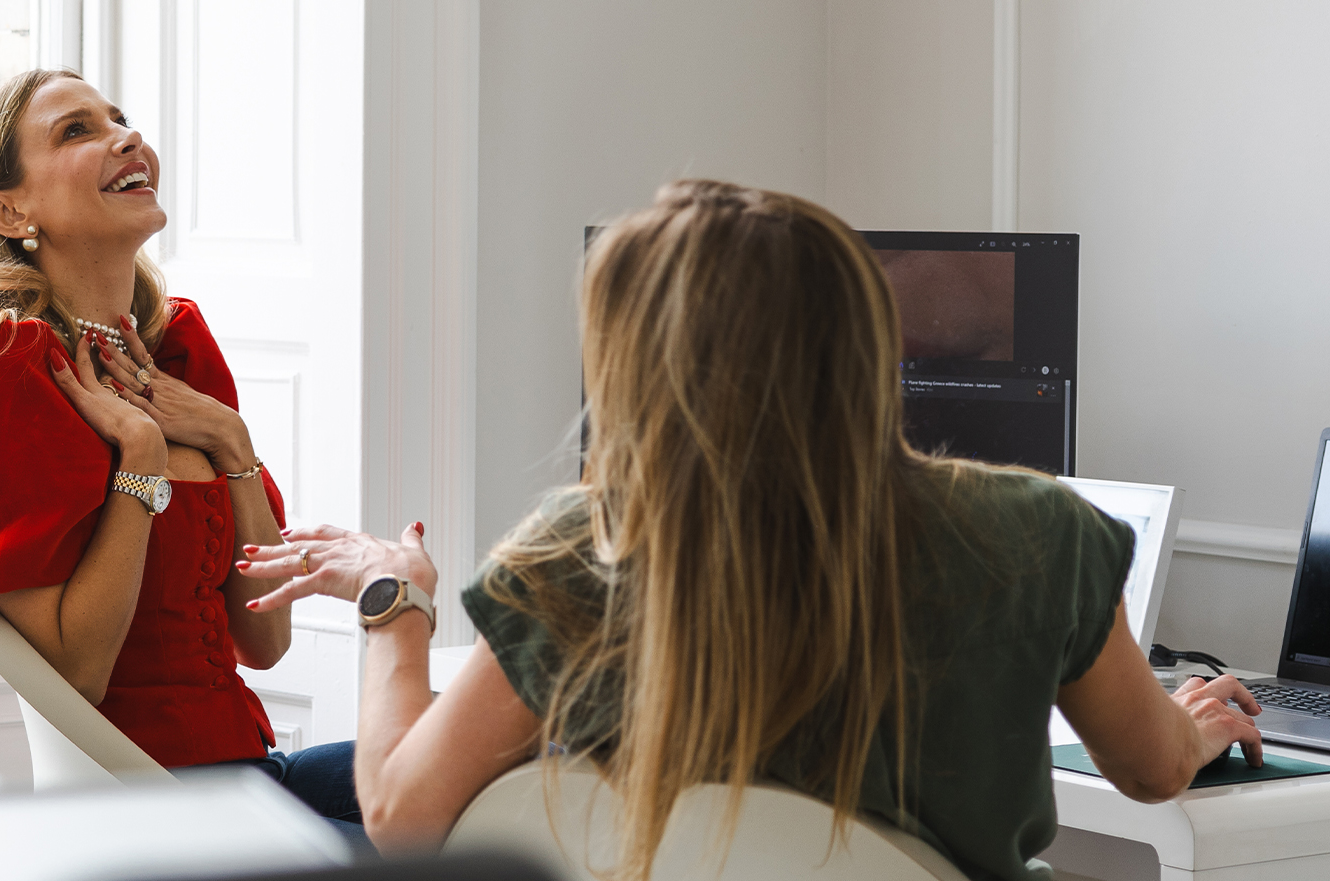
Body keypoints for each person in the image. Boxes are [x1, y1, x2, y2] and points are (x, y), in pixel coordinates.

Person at [239, 180, 1264, 879]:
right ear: (866, 336)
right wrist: (1195, 721)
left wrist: (395, 603)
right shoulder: (1037, 532)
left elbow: (403, 815)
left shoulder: (579, 554)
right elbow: (1150, 770)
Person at [0, 68, 360, 837]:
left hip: (252, 775)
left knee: (501, 774)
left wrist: (230, 442)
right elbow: (77, 675)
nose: (127, 137)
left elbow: (264, 641)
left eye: (120, 119)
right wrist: (139, 459)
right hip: (149, 808)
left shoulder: (177, 349)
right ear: (10, 210)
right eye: (77, 131)